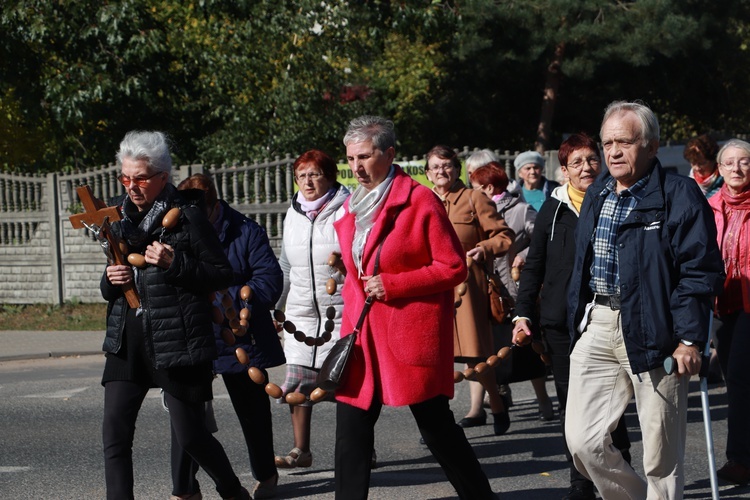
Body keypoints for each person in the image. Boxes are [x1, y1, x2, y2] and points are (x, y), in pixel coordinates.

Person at [564, 101, 723, 498]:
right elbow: (582, 265)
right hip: (599, 320)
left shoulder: (679, 194)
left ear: (651, 146)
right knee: (582, 442)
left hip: (658, 328)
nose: (613, 151)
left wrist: (689, 339)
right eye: (608, 143)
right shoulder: (598, 192)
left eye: (624, 142)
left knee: (659, 456)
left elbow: (698, 270)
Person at [333, 115, 496, 499]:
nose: (355, 167)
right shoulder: (352, 205)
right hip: (361, 339)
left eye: (365, 156)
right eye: (351, 158)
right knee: (351, 435)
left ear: (390, 155)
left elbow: (453, 266)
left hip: (409, 334)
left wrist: (393, 284)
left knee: (437, 429)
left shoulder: (419, 200)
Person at [101, 131, 250, 500]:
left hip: (177, 338)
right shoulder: (116, 220)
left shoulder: (188, 216)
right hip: (128, 341)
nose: (131, 186)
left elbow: (221, 274)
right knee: (114, 437)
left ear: (163, 177)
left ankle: (232, 491)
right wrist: (109, 280)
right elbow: (112, 284)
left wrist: (174, 262)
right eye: (125, 178)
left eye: (139, 178)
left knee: (192, 437)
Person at [511, 133, 631, 500]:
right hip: (561, 323)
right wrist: (522, 315)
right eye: (576, 163)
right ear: (563, 171)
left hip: (607, 316)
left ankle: (620, 475)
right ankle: (580, 482)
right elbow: (535, 266)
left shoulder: (619, 199)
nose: (586, 168)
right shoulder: (554, 206)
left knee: (612, 405)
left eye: (591, 160)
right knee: (573, 406)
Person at [172, 173, 284, 499]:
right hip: (194, 334)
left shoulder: (246, 230)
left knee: (253, 413)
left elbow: (269, 278)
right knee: (187, 415)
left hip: (241, 336)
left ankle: (265, 474)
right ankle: (184, 488)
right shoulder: (177, 228)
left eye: (199, 213)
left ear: (214, 205)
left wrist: (235, 305)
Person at [425, 145, 515, 435]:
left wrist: (483, 248)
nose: (441, 171)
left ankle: (497, 404)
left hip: (468, 287)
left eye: (447, 166)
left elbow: (504, 236)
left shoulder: (474, 198)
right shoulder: (421, 201)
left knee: (477, 356)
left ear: (457, 169)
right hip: (430, 287)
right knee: (432, 357)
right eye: (435, 167)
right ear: (427, 173)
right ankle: (439, 424)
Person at [273, 149, 349, 469]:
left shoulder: (347, 209)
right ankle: (300, 451)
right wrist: (275, 307)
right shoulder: (293, 213)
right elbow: (286, 267)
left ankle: (358, 449)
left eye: (315, 174)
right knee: (298, 384)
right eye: (301, 175)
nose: (307, 181)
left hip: (342, 312)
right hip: (301, 314)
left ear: (330, 176)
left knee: (347, 387)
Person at [469, 162, 553, 421]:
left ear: (489, 187)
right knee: (490, 349)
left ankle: (543, 400)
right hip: (488, 291)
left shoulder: (520, 209)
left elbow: (542, 239)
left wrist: (523, 256)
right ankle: (489, 401)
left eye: (476, 188)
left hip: (517, 291)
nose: (472, 193)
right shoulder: (477, 210)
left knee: (527, 347)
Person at [708, 139, 750, 485]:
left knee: (739, 378)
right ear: (719, 169)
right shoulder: (709, 207)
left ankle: (739, 458)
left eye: (745, 163)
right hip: (723, 306)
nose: (737, 169)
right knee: (735, 384)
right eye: (730, 163)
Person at [684, 133, 722, 199]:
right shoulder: (687, 185)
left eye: (702, 163)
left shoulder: (727, 185)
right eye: (693, 163)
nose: (697, 168)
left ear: (714, 160)